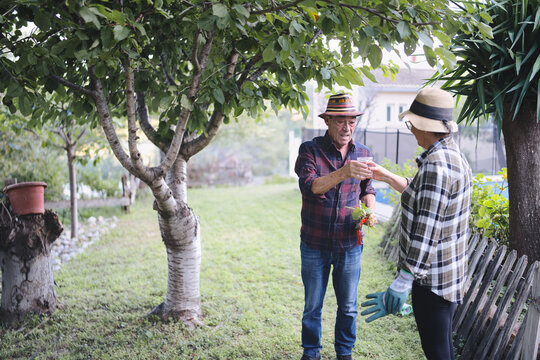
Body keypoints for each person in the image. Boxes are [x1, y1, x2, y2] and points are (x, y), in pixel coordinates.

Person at [360, 88, 472, 360]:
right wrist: (385, 176)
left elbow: (427, 229)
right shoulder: (450, 155)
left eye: (411, 124)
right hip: (447, 274)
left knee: (437, 352)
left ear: (425, 125)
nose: (410, 130)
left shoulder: (437, 164)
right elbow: (423, 196)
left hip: (431, 280)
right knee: (442, 348)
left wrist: (402, 281)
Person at [295, 93, 376, 360]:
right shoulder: (310, 149)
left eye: (351, 122)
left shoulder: (363, 153)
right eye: (341, 121)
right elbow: (310, 186)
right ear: (328, 121)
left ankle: (344, 353)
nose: (347, 127)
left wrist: (370, 210)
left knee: (349, 307)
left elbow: (368, 189)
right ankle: (311, 353)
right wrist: (344, 172)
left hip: (349, 244)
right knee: (312, 306)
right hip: (314, 243)